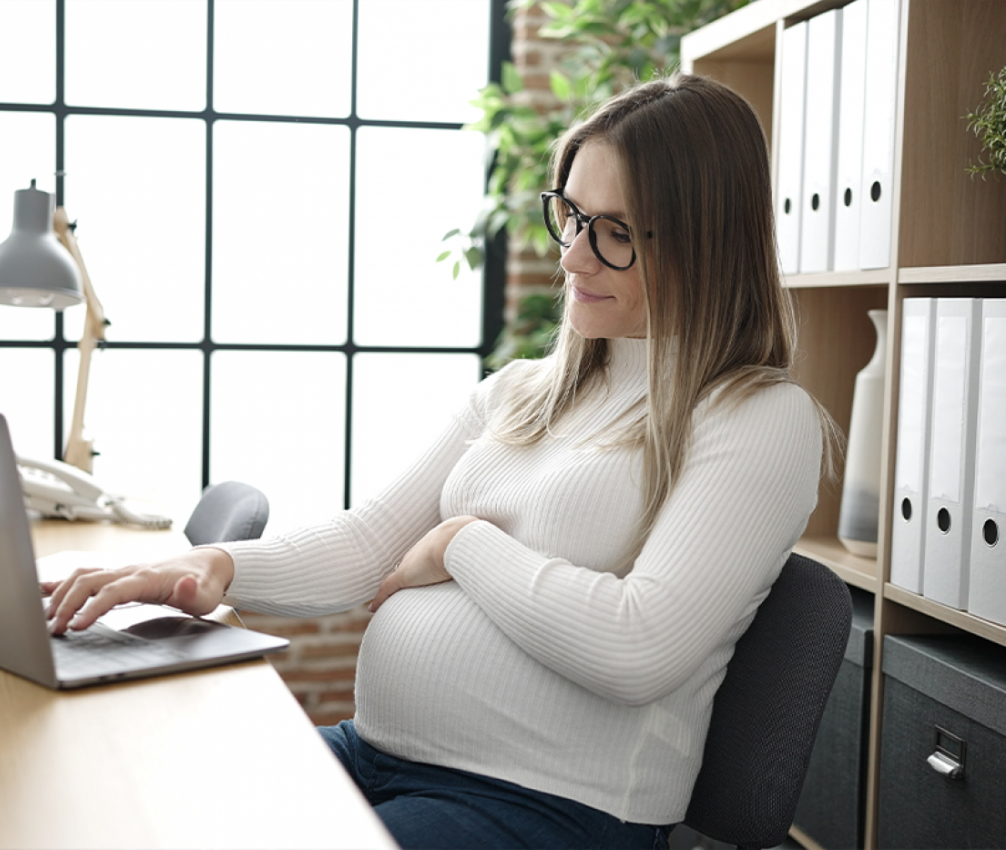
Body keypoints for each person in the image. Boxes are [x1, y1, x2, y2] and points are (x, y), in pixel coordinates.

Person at [44, 73, 836, 850]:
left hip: (551, 809)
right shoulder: (521, 392)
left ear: (708, 244)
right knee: (131, 804)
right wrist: (212, 565)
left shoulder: (757, 418)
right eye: (571, 216)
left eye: (617, 232)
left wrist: (460, 544)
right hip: (375, 756)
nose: (572, 259)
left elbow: (635, 650)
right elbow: (367, 545)